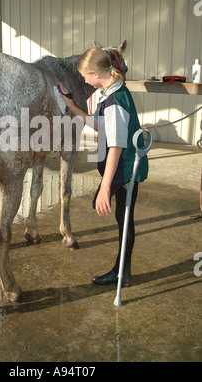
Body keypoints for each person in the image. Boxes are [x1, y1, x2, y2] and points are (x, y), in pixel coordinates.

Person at [59, 45, 148, 287]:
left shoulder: (116, 100)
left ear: (95, 75)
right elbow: (100, 125)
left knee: (124, 218)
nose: (83, 80)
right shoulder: (111, 92)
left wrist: (105, 188)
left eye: (85, 75)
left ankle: (122, 273)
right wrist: (73, 106)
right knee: (122, 218)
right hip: (120, 167)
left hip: (126, 169)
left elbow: (116, 147)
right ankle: (123, 271)